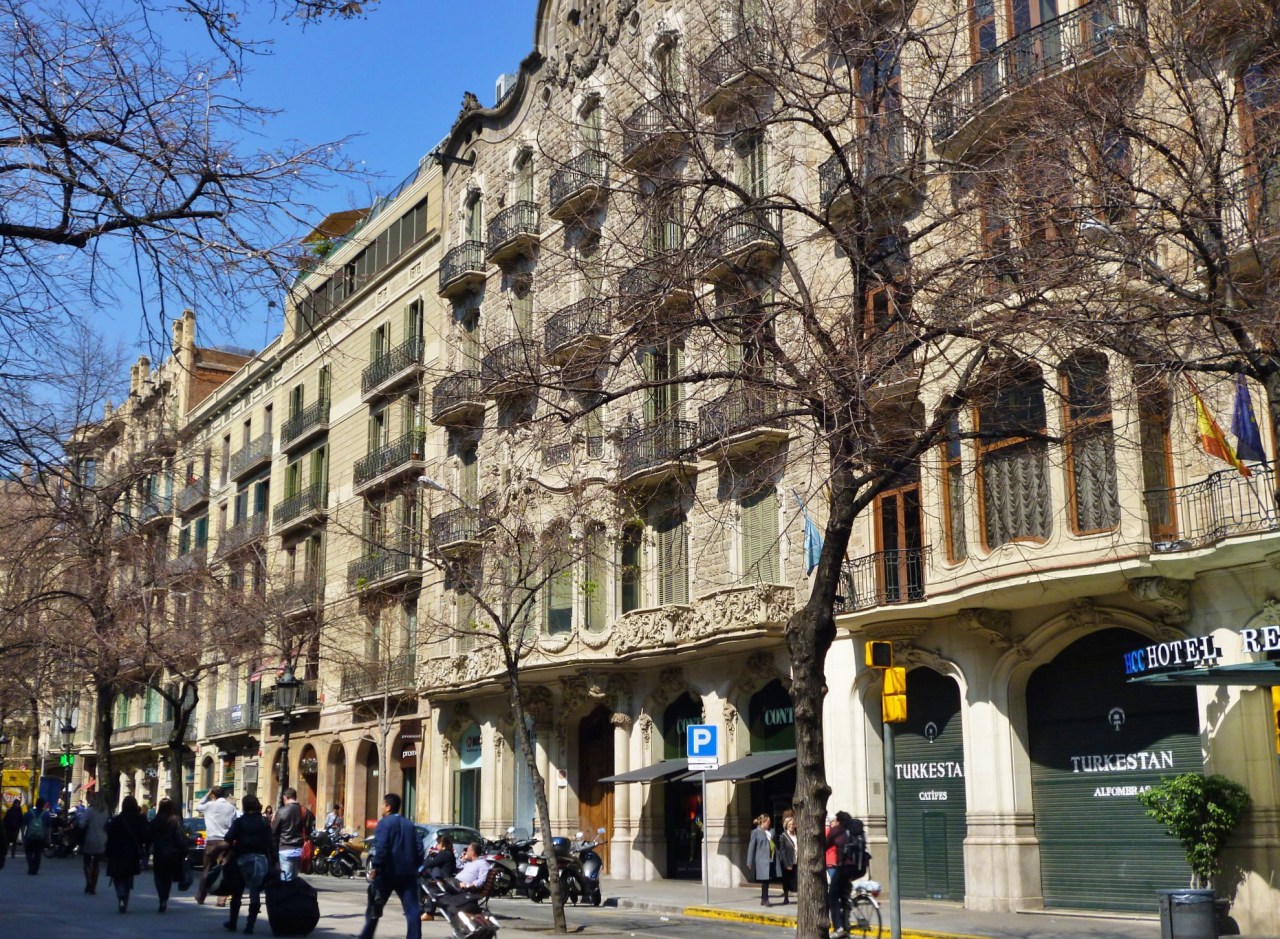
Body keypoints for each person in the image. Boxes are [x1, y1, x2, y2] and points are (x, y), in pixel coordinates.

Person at [357, 793, 425, 939]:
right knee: (412, 911)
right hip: (407, 874)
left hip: (387, 873)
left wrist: (375, 867)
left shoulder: (384, 823)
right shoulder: (409, 824)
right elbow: (420, 847)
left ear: (388, 807)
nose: (381, 807)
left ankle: (366, 936)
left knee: (375, 907)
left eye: (382, 804)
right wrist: (416, 865)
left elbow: (382, 848)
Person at [224, 794, 272, 935]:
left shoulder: (240, 822)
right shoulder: (264, 822)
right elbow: (270, 843)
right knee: (255, 891)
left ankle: (233, 923)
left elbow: (228, 838)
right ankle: (250, 926)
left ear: (245, 806)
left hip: (242, 859)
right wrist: (275, 862)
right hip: (260, 860)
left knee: (237, 892)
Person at [825, 811, 867, 938]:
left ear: (838, 821)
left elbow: (825, 846)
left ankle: (839, 927)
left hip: (845, 867)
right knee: (844, 893)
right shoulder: (856, 829)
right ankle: (846, 922)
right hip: (860, 867)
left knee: (832, 895)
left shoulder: (837, 830)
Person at [196, 786, 239, 906]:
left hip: (212, 841)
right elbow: (235, 823)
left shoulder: (209, 805)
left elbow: (198, 807)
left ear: (212, 795)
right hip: (226, 841)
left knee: (207, 869)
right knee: (225, 870)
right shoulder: (231, 808)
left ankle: (201, 896)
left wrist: (206, 795)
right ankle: (221, 900)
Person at [104, 795, 148, 913]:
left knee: (117, 877)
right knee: (128, 877)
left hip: (117, 852)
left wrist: (107, 853)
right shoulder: (139, 820)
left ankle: (120, 894)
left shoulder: (117, 820)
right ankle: (125, 898)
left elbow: (110, 838)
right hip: (132, 853)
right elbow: (145, 836)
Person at [148, 798, 188, 912]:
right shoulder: (175, 820)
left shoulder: (156, 820)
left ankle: (162, 897)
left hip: (159, 852)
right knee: (168, 877)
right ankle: (165, 897)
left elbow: (149, 835)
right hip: (172, 853)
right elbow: (180, 836)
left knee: (159, 876)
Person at [77, 793, 110, 894]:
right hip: (102, 839)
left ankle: (89, 883)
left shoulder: (89, 811)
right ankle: (94, 885)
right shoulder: (106, 812)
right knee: (96, 863)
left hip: (90, 839)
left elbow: (81, 824)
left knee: (87, 862)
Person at [272, 788, 305, 881]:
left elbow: (274, 831)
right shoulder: (304, 811)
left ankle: (286, 894)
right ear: (295, 797)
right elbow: (309, 829)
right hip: (299, 848)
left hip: (285, 847)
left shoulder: (281, 811)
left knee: (286, 877)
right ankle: (293, 894)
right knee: (294, 877)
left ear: (285, 798)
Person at [746, 813, 776, 906]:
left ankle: (764, 899)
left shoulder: (770, 832)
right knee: (764, 881)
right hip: (762, 860)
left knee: (767, 880)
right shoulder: (755, 832)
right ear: (762, 822)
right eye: (767, 822)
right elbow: (751, 847)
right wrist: (749, 862)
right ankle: (765, 899)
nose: (769, 824)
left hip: (770, 859)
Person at [21, 798, 54, 875]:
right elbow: (49, 828)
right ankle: (35, 869)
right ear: (43, 805)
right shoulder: (46, 815)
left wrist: (23, 836)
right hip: (41, 837)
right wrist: (49, 838)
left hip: (30, 837)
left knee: (29, 852)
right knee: (38, 854)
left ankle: (30, 867)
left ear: (36, 804)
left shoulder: (29, 813)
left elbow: (23, 825)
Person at [777, 815, 798, 905]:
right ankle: (786, 897)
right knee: (786, 880)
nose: (791, 826)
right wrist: (786, 864)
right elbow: (782, 851)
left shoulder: (797, 835)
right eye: (789, 824)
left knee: (796, 879)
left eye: (793, 824)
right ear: (786, 825)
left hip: (796, 860)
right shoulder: (783, 836)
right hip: (788, 862)